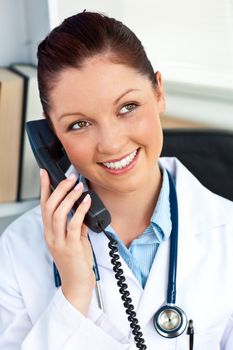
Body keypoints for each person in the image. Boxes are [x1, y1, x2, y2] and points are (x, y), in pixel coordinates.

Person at [0, 11, 233, 350]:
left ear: (159, 93)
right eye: (79, 124)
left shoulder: (227, 233)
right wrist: (74, 293)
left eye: (127, 107)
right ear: (51, 138)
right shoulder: (17, 251)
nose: (110, 143)